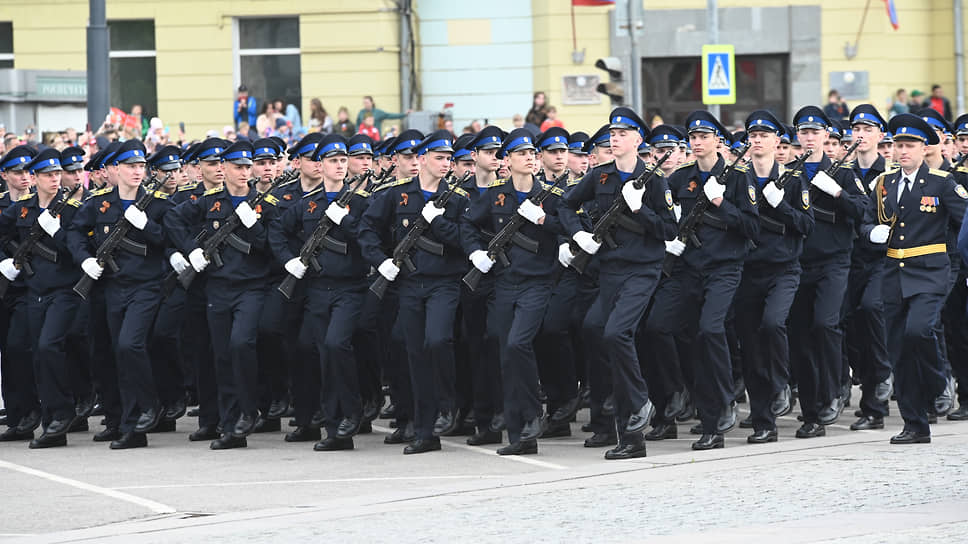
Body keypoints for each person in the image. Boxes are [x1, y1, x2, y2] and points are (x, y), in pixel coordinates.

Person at [560, 108, 678, 459]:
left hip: (643, 270)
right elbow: (567, 207)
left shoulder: (654, 181)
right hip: (610, 270)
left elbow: (670, 231)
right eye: (612, 132)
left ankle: (641, 402)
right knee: (596, 328)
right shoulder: (599, 177)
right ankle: (630, 438)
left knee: (616, 333)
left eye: (623, 133)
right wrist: (579, 235)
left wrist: (641, 210)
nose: (615, 137)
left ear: (638, 140)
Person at [643, 110, 759, 451]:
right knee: (657, 326)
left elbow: (752, 229)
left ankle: (719, 408)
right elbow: (668, 220)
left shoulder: (738, 177)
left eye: (703, 137)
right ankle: (679, 391)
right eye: (692, 138)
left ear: (717, 142)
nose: (697, 143)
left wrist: (722, 203)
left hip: (724, 268)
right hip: (687, 268)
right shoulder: (680, 179)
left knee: (709, 331)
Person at [359, 130, 469, 454]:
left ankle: (448, 403)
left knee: (437, 340)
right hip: (409, 284)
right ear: (421, 159)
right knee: (415, 355)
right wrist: (380, 262)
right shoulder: (397, 196)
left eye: (449, 158)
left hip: (444, 283)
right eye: (439, 158)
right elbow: (367, 229)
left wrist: (439, 224)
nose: (445, 164)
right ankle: (425, 432)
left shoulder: (457, 198)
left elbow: (466, 240)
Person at [860, 113, 968, 444]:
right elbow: (865, 222)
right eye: (897, 146)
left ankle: (939, 383)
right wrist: (871, 233)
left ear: (924, 149)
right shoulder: (884, 184)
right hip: (894, 272)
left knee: (919, 330)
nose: (902, 151)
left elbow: (965, 222)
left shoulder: (942, 183)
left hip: (932, 271)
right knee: (899, 349)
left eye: (909, 146)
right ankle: (915, 423)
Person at [165, 140, 279, 450]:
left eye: (247, 167)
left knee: (242, 344)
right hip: (218, 288)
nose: (244, 172)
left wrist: (253, 225)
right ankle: (231, 428)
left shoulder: (264, 204)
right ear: (224, 169)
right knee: (222, 355)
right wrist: (192, 250)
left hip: (252, 288)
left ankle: (249, 408)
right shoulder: (209, 201)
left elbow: (271, 246)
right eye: (238, 167)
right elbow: (173, 219)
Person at [462, 128, 566, 456]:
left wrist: (543, 220)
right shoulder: (496, 196)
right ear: (508, 160)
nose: (529, 158)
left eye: (532, 154)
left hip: (538, 282)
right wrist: (475, 253)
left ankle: (534, 413)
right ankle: (521, 435)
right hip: (506, 283)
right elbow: (468, 225)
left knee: (519, 343)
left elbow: (568, 227)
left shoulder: (550, 197)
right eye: (521, 154)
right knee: (506, 354)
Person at [67, 139, 174, 450]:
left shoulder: (156, 205)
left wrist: (148, 227)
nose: (137, 172)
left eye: (141, 166)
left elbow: (171, 239)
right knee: (120, 354)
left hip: (147, 286)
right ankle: (132, 427)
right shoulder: (100, 204)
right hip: (114, 287)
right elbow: (74, 231)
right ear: (116, 169)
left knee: (130, 344)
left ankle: (150, 405)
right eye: (131, 166)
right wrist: (85, 258)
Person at [786, 106, 867, 439]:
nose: (808, 137)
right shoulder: (788, 173)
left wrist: (835, 190)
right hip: (796, 263)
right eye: (803, 132)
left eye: (814, 132)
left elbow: (862, 210)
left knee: (825, 323)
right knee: (801, 337)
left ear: (825, 137)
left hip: (834, 261)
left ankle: (834, 389)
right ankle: (811, 412)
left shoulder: (843, 172)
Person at [734, 110, 814, 444]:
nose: (757, 141)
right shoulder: (739, 179)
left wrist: (781, 205)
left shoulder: (793, 179)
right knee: (751, 348)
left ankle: (784, 386)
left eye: (764, 136)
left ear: (777, 141)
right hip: (748, 270)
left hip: (784, 269)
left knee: (774, 324)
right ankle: (763, 421)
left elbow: (807, 225)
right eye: (752, 136)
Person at [842, 104, 894, 432]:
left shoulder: (889, 175)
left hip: (882, 260)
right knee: (846, 321)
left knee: (872, 308)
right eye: (856, 129)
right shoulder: (843, 174)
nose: (860, 135)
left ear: (879, 135)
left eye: (867, 129)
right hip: (848, 258)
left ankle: (875, 401)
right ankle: (865, 377)